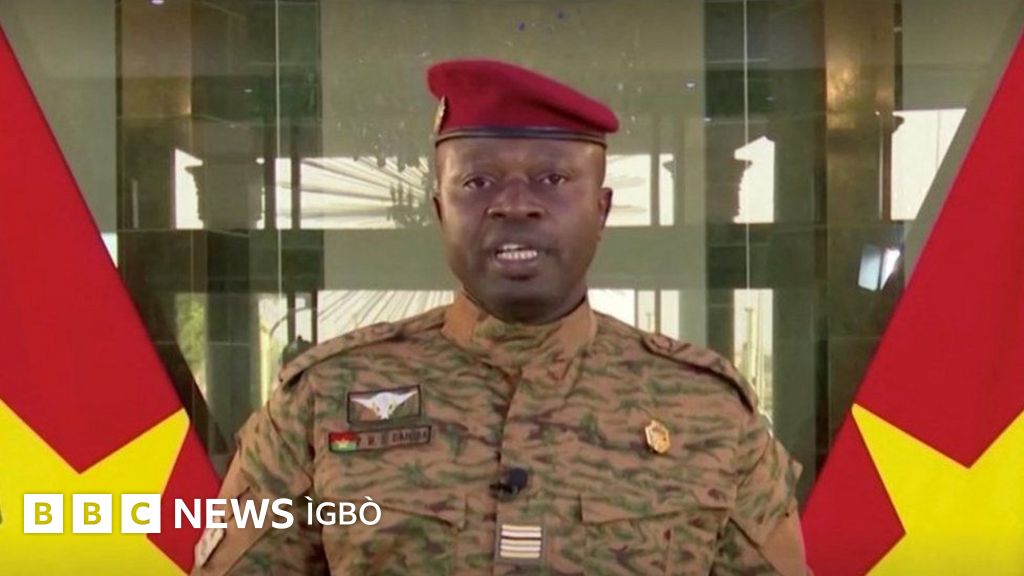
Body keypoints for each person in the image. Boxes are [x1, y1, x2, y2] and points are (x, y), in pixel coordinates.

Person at [191, 59, 809, 576]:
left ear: (601, 209)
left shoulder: (707, 411)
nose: (515, 205)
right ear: (440, 209)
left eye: (553, 179)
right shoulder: (322, 399)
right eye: (478, 182)